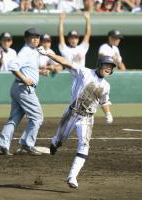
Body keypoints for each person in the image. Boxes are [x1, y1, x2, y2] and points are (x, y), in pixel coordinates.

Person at [38, 46, 116, 189]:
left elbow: (104, 101)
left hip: (87, 118)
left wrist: (108, 113)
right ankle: (55, 142)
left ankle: (72, 176)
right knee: (60, 141)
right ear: (99, 65)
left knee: (84, 145)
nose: (108, 68)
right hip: (71, 113)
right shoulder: (84, 72)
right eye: (106, 65)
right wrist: (50, 54)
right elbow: (66, 62)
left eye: (111, 67)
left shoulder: (106, 85)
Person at [0, 28, 44, 156]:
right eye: (32, 37)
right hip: (24, 89)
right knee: (37, 117)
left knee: (14, 118)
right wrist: (25, 79)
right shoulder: (26, 51)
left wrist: (40, 72)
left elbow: (27, 68)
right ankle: (27, 144)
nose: (35, 39)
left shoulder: (32, 51)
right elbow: (13, 66)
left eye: (37, 37)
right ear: (26, 39)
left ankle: (2, 145)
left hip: (18, 88)